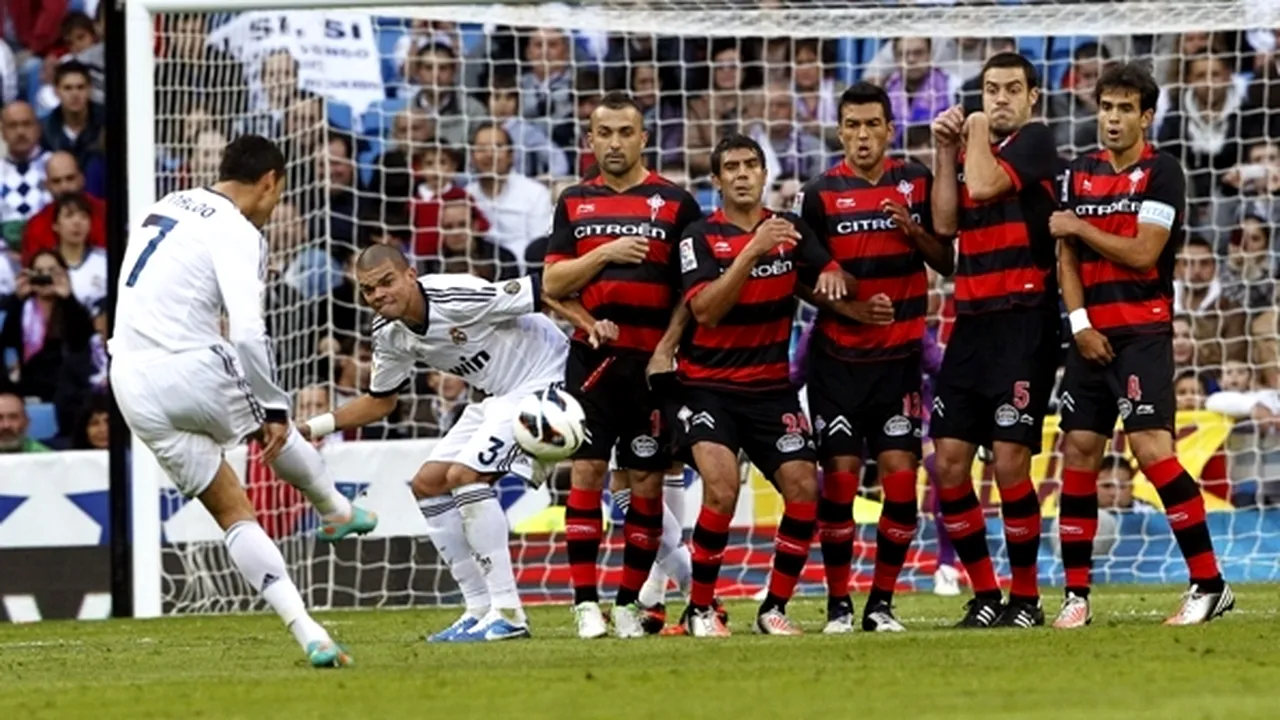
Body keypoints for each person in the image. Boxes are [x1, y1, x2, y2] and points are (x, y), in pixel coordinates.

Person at [108, 134, 376, 669]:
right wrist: (274, 403)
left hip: (129, 380)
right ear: (270, 181)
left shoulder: (166, 204)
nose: (274, 208)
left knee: (234, 515)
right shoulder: (237, 229)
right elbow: (249, 332)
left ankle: (310, 634)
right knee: (273, 429)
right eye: (277, 196)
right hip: (191, 363)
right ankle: (335, 508)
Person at [298, 243, 609, 643]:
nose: (378, 295)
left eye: (387, 282)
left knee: (466, 476)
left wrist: (590, 326)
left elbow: (543, 290)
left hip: (542, 378)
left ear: (411, 275)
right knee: (427, 484)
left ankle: (509, 613)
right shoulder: (389, 333)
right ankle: (478, 608)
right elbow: (382, 401)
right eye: (368, 290)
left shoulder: (456, 296)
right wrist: (311, 428)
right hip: (495, 394)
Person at [1051, 63, 1233, 628]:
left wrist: (1079, 227)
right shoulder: (1078, 174)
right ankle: (1076, 596)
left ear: (1145, 116)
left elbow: (1142, 253)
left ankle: (1209, 583)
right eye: (1106, 107)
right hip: (1089, 334)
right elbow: (1065, 258)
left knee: (1153, 452)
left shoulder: (1163, 172)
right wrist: (1079, 323)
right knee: (1077, 451)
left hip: (1142, 332)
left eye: (1125, 108)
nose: (1112, 117)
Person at [542, 91, 704, 639]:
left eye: (625, 132)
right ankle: (586, 603)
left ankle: (629, 603)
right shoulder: (574, 202)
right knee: (585, 473)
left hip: (651, 370)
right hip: (592, 364)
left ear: (644, 138)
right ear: (589, 139)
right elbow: (553, 284)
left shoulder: (677, 203)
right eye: (604, 133)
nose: (614, 143)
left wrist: (669, 346)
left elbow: (693, 289)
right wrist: (603, 265)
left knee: (646, 485)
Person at [675, 133, 846, 636]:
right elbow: (704, 311)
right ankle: (701, 609)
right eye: (733, 167)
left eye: (752, 164)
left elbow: (829, 270)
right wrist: (751, 252)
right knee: (722, 489)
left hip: (772, 390)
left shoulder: (788, 229)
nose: (744, 173)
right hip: (706, 387)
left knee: (803, 490)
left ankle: (774, 608)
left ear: (764, 173)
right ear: (717, 180)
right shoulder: (698, 236)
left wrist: (839, 281)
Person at [797, 82, 953, 633]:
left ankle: (880, 604)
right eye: (853, 126)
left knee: (900, 480)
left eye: (872, 125)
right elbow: (802, 279)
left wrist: (913, 230)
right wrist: (853, 311)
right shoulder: (819, 194)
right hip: (838, 364)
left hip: (899, 363)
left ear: (890, 129)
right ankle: (839, 604)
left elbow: (947, 260)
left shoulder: (916, 181)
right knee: (838, 481)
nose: (863, 136)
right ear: (840, 131)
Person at [929, 52, 1063, 628]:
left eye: (1012, 88)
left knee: (1009, 462)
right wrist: (941, 152)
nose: (1000, 97)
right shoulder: (965, 152)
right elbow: (944, 226)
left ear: (1033, 97)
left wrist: (976, 126)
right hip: (971, 322)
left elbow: (983, 187)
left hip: (1024, 320)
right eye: (990, 89)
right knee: (950, 462)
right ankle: (985, 594)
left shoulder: (1037, 143)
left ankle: (1026, 599)